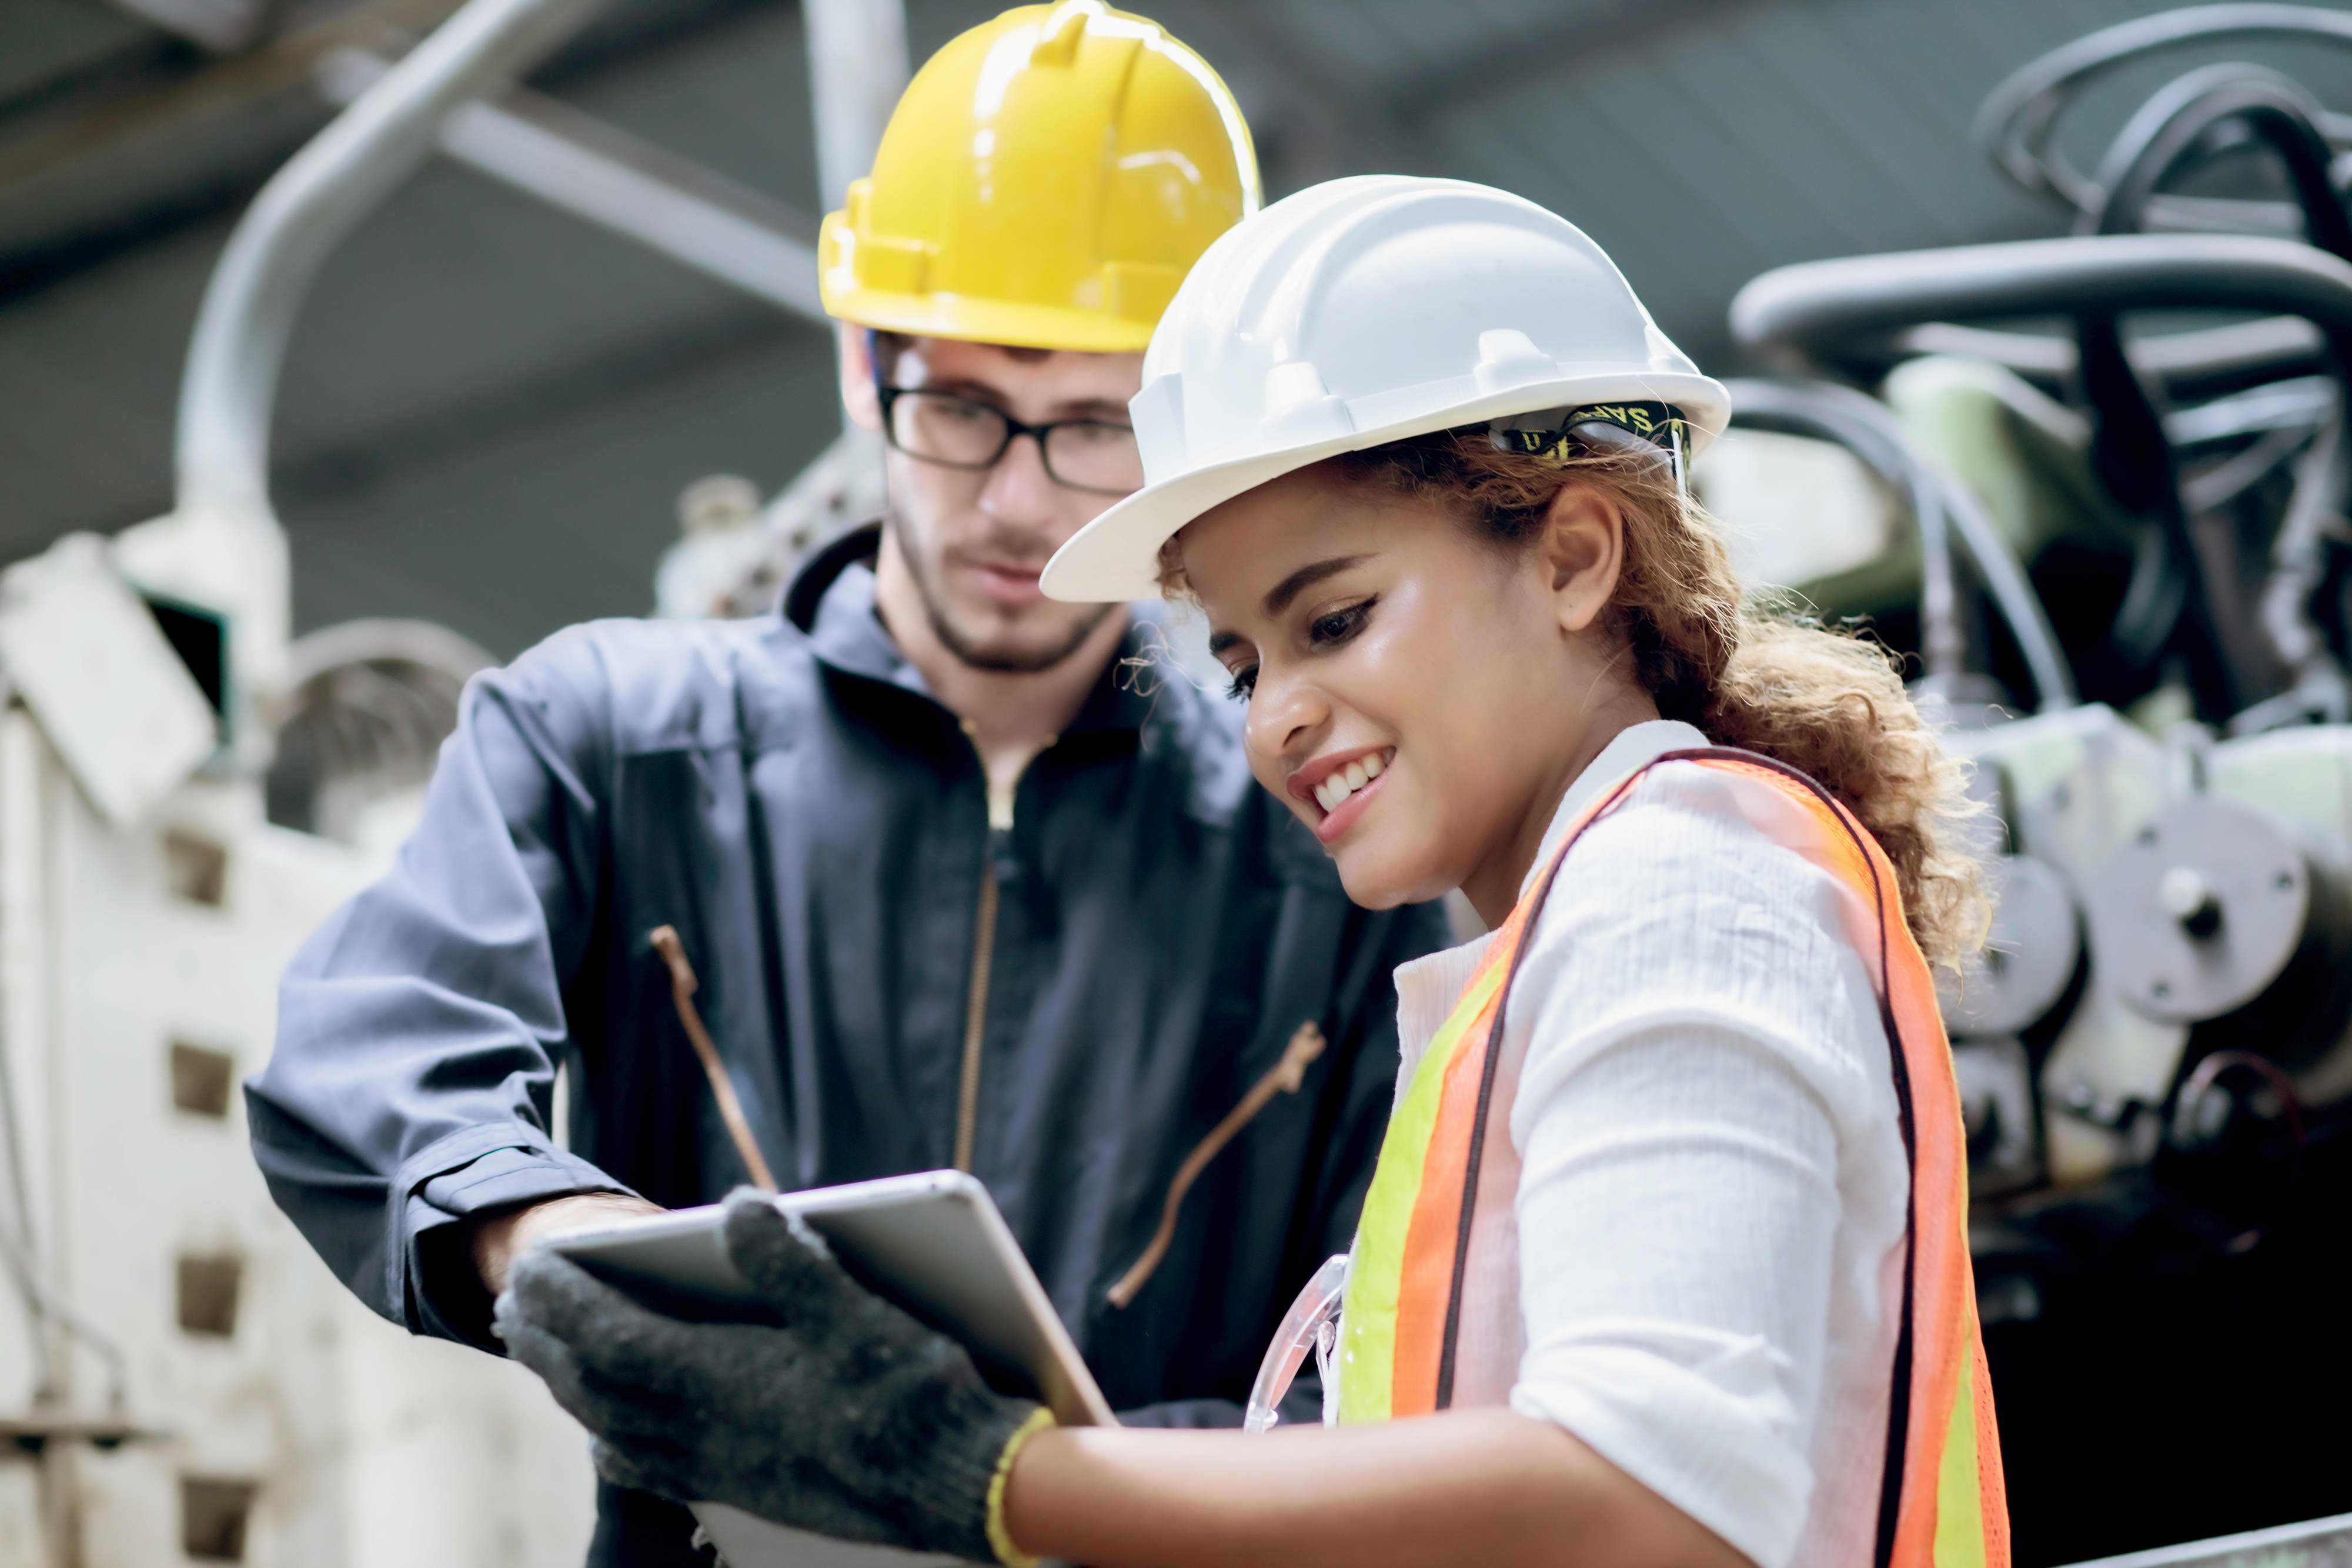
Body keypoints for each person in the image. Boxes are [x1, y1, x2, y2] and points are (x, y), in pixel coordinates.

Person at [497, 175, 2014, 1568]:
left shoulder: (1683, 881)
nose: (1274, 715)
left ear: (1571, 557)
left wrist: (995, 1476)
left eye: (1334, 620)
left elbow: (1655, 1496)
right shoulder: (1550, 955)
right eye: (1241, 662)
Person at [247, 14, 1448, 1566]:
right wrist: (547, 1238)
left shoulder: (1317, 839)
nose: (1015, 501)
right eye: (959, 407)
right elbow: (367, 1053)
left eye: (1096, 428)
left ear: (1191, 431)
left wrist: (1033, 1484)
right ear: (860, 362)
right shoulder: (611, 739)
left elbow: (1387, 1361)